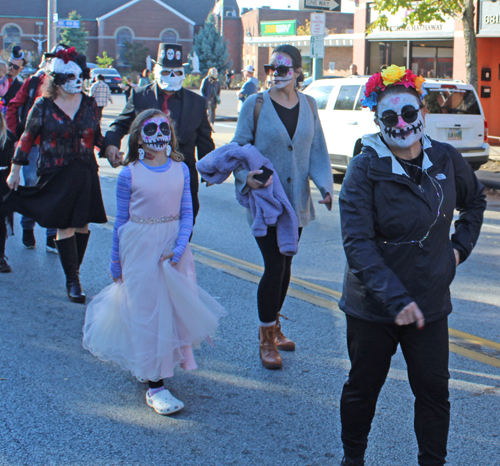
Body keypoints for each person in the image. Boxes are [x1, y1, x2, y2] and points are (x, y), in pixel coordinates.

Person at [338, 65, 486, 466]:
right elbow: (358, 243)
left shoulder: (446, 157)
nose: (401, 124)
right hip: (374, 306)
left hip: (430, 302)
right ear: (377, 121)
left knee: (434, 391)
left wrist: (459, 250)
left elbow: (475, 201)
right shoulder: (363, 169)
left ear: (422, 111)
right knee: (362, 388)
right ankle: (353, 458)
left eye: (408, 113)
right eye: (390, 117)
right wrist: (395, 299)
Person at [82, 109, 225, 415]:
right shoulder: (129, 173)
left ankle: (155, 367)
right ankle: (155, 386)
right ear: (138, 139)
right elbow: (120, 221)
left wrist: (179, 245)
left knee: (172, 312)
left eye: (164, 128)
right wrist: (115, 262)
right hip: (139, 247)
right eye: (151, 129)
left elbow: (187, 211)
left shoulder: (181, 168)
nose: (159, 135)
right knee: (147, 311)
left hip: (174, 247)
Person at [231, 44, 333, 369]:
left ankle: (274, 327)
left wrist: (325, 186)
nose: (276, 75)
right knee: (274, 266)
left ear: (299, 72)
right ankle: (264, 339)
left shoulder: (310, 105)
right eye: (272, 69)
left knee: (286, 267)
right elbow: (238, 146)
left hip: (297, 201)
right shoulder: (255, 104)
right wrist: (245, 177)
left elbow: (316, 148)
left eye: (284, 69)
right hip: (266, 200)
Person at [6, 47, 107, 304]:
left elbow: (96, 136)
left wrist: (111, 150)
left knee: (82, 225)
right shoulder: (43, 105)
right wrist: (16, 169)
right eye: (70, 79)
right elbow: (27, 138)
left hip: (85, 171)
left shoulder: (89, 103)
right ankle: (72, 280)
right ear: (57, 81)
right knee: (64, 224)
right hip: (55, 172)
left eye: (79, 78)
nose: (77, 83)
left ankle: (75, 271)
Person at [103, 43, 215, 222]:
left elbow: (204, 140)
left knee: (183, 225)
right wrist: (111, 144)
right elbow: (121, 124)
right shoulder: (140, 96)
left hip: (182, 175)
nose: (171, 77)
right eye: (166, 72)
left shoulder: (196, 103)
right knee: (146, 225)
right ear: (156, 71)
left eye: (177, 72)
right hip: (146, 174)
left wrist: (210, 168)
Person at [5, 44, 68, 253]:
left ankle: (51, 236)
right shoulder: (33, 82)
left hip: (56, 147)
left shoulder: (68, 83)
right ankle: (27, 228)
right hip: (32, 145)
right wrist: (13, 135)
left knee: (53, 189)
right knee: (32, 186)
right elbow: (14, 105)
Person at [0, 111, 15, 272]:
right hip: (3, 183)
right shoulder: (9, 137)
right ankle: (0, 257)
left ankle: (0, 257)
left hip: (3, 184)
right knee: (1, 222)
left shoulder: (8, 138)